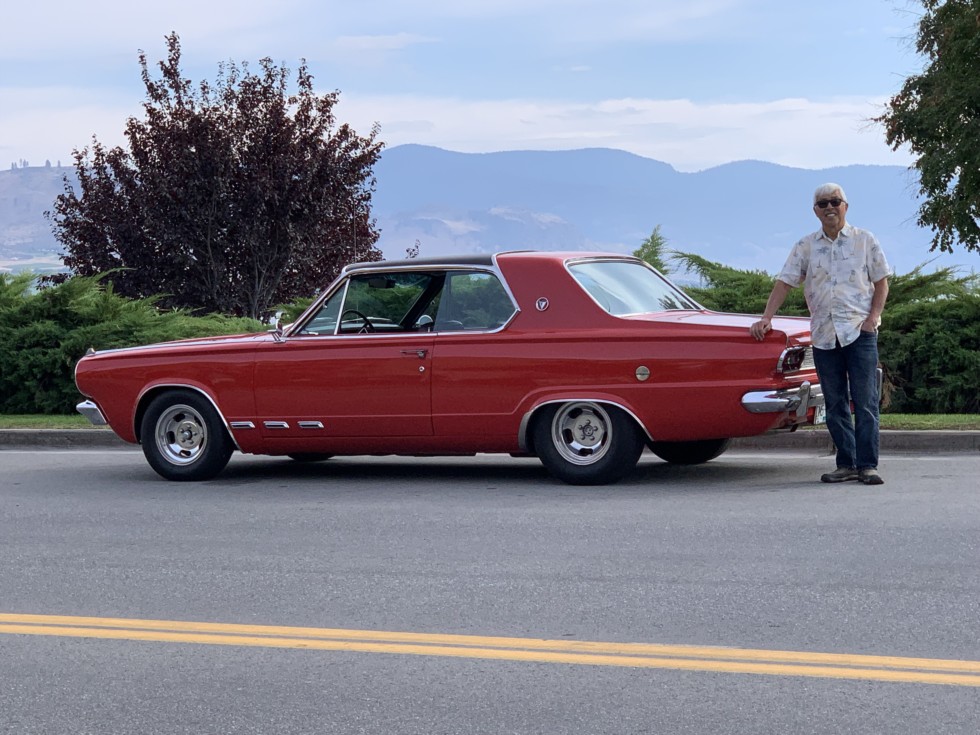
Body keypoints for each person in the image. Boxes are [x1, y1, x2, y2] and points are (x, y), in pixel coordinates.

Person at [750, 184, 891, 485]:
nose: (829, 208)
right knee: (834, 402)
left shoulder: (865, 240)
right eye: (823, 203)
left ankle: (868, 465)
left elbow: (881, 282)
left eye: (835, 202)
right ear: (815, 210)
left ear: (845, 206)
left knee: (865, 401)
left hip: (859, 332)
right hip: (824, 335)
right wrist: (766, 317)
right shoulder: (806, 246)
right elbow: (785, 282)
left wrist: (872, 319)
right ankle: (846, 463)